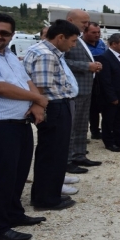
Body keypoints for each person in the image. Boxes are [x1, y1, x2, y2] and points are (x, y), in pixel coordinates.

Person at [0, 13, 48, 240]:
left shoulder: (8, 54)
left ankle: (13, 214)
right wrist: (39, 99)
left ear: (12, 35)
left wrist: (35, 103)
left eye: (4, 32)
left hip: (19, 125)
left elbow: (26, 79)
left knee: (17, 174)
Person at [24, 19, 81, 211]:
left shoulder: (42, 50)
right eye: (72, 41)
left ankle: (49, 193)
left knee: (52, 152)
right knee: (52, 153)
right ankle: (46, 199)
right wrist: (39, 106)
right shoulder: (46, 55)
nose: (73, 45)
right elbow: (40, 88)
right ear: (60, 37)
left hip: (55, 105)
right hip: (53, 106)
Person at [64, 9, 103, 174]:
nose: (86, 25)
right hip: (75, 89)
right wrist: (87, 66)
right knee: (71, 127)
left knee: (81, 125)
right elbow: (63, 62)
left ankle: (79, 154)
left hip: (86, 88)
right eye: (84, 22)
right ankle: (67, 160)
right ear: (71, 20)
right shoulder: (64, 38)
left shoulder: (78, 39)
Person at [95, 33, 120, 152]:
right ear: (113, 44)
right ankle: (109, 142)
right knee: (109, 119)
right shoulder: (105, 58)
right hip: (113, 97)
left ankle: (119, 139)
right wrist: (112, 97)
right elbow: (105, 80)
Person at [84, 22, 107, 140]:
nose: (97, 35)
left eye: (98, 32)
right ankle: (91, 131)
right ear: (85, 32)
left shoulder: (102, 44)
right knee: (90, 107)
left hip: (101, 78)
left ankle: (102, 130)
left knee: (102, 104)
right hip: (87, 79)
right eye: (93, 32)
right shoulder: (81, 45)